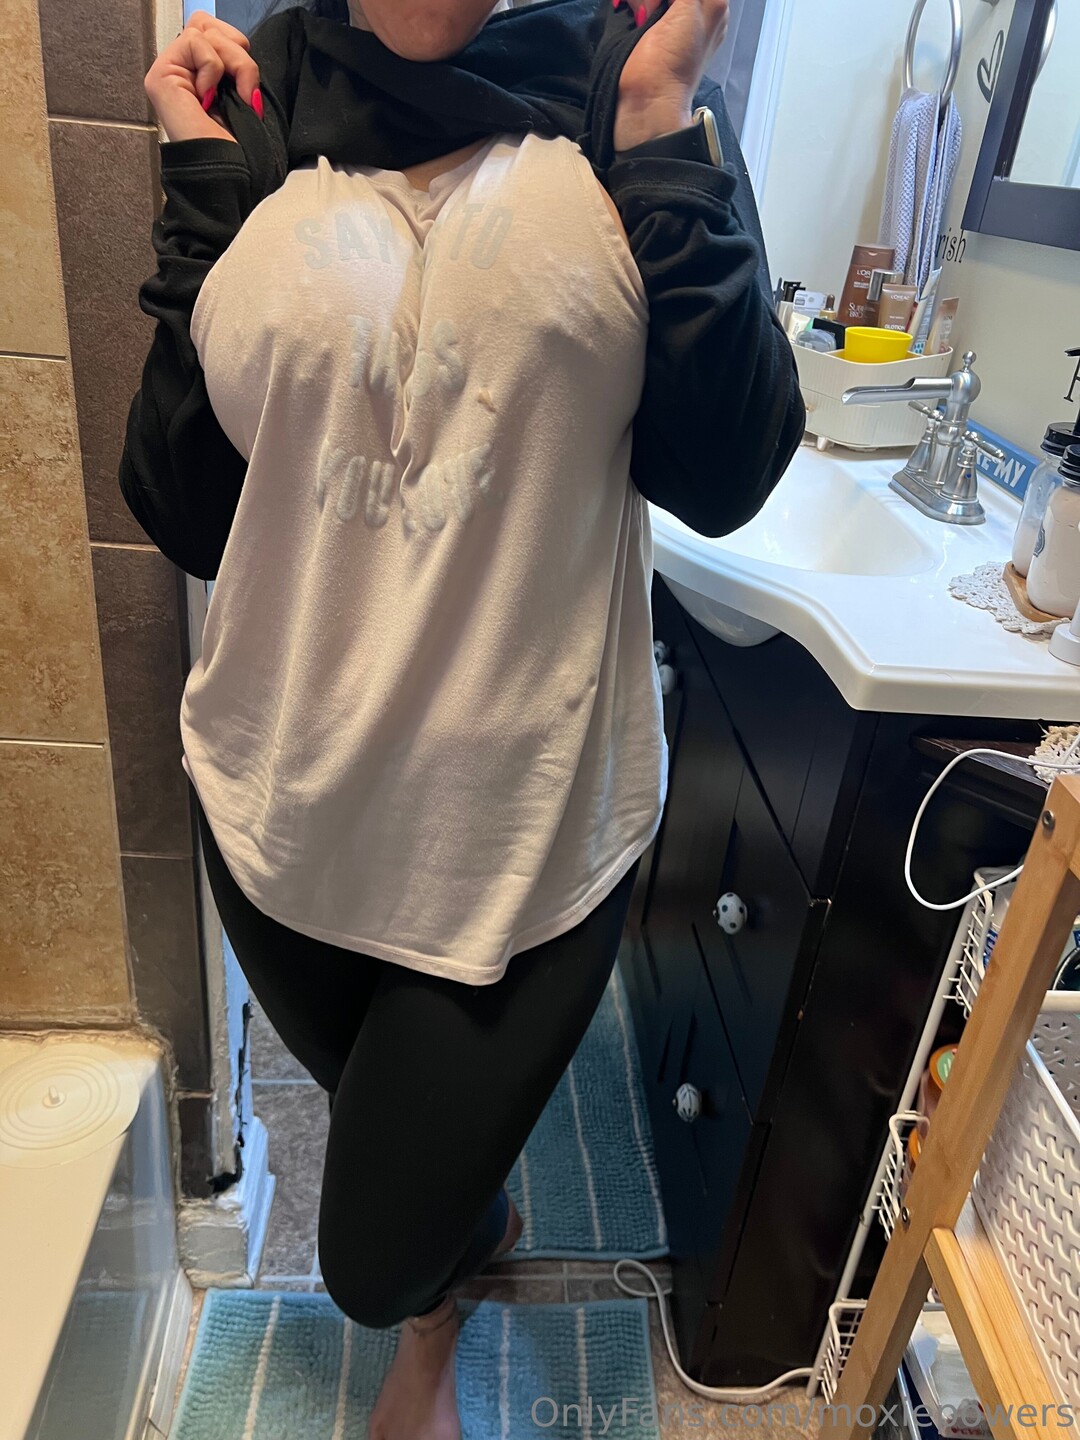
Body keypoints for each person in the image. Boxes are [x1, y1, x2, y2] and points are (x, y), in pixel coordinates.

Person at [122, 2, 803, 1435]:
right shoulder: (264, 93)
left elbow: (728, 472)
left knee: (368, 1259)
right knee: (402, 1144)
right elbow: (183, 503)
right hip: (278, 811)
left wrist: (664, 119)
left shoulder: (624, 91)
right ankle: (456, 1254)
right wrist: (198, 185)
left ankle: (427, 1289)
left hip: (522, 841)